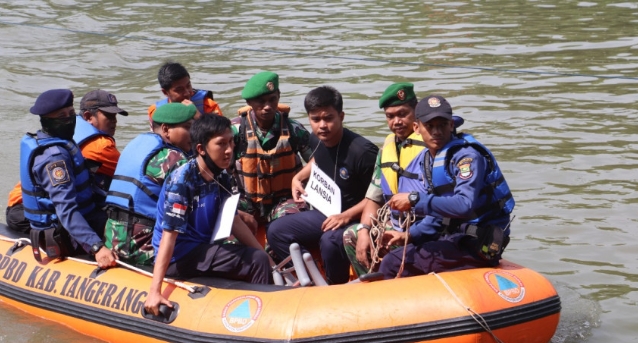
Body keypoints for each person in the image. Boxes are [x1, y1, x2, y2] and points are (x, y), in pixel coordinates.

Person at [144, 115, 272, 316]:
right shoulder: (183, 181)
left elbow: (233, 221)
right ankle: (263, 315)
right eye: (221, 144)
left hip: (204, 247)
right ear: (201, 149)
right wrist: (154, 291)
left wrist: (267, 258)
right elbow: (169, 236)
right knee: (255, 261)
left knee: (260, 256)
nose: (229, 150)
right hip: (180, 256)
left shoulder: (221, 175)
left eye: (230, 142)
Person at [379, 95, 515, 279]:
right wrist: (408, 236)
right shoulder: (428, 160)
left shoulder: (466, 157)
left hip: (479, 242)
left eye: (442, 125)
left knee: (393, 263)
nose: (437, 132)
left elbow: (464, 204)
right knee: (397, 251)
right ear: (417, 128)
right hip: (454, 237)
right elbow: (439, 216)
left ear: (451, 125)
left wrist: (414, 199)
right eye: (430, 126)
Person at [343, 83, 465, 277]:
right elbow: (374, 197)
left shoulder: (434, 145)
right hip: (397, 220)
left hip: (427, 223)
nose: (396, 122)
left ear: (416, 113)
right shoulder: (386, 150)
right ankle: (376, 285)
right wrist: (365, 229)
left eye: (402, 114)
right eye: (390, 116)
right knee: (352, 235)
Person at [266, 86, 378, 284]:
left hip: (355, 216)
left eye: (328, 118)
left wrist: (346, 216)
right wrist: (298, 177)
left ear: (341, 116)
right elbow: (317, 159)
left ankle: (336, 287)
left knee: (329, 241)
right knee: (276, 231)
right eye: (315, 119)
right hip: (326, 211)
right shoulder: (316, 139)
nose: (322, 126)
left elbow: (379, 196)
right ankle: (311, 277)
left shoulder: (363, 152)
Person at [6, 89, 128, 233]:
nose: (114, 121)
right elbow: (129, 176)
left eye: (115, 116)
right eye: (109, 116)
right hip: (29, 213)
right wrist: (96, 246)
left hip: (19, 204)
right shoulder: (100, 146)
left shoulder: (64, 133)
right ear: (88, 116)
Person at [19, 89, 116, 268]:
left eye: (71, 113)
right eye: (62, 115)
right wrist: (96, 246)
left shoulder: (60, 142)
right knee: (124, 236)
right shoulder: (54, 159)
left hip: (86, 214)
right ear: (47, 120)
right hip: (63, 233)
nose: (69, 119)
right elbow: (66, 210)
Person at [104, 103, 197, 265]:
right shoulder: (173, 158)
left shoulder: (135, 144)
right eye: (188, 127)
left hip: (112, 241)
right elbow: (196, 204)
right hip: (144, 246)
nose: (193, 134)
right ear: (166, 130)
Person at [231, 71, 313, 233]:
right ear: (249, 103)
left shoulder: (293, 129)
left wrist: (299, 178)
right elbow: (217, 167)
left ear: (279, 97)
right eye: (261, 101)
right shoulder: (234, 131)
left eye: (272, 99)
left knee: (288, 226)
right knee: (224, 217)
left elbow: (317, 160)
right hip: (246, 201)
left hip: (284, 200)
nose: (267, 106)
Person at [147, 62, 222, 125]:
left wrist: (198, 117)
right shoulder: (156, 111)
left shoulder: (208, 105)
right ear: (165, 92)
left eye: (188, 86)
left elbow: (221, 133)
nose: (187, 93)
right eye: (179, 90)